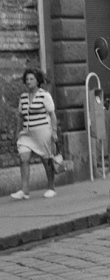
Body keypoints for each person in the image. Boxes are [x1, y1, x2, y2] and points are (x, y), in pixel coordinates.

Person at [11, 68, 59, 200]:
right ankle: (25, 190)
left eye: (31, 79)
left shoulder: (45, 95)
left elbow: (52, 115)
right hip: (27, 133)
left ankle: (51, 187)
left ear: (38, 81)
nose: (28, 82)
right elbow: (20, 117)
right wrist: (18, 132)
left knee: (46, 159)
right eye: (27, 79)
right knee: (23, 158)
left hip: (43, 132)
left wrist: (54, 132)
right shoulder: (23, 97)